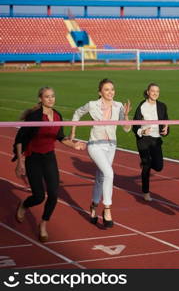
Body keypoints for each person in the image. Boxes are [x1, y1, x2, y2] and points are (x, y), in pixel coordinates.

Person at [13, 86, 86, 242]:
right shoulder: (34, 116)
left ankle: (43, 224)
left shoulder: (57, 115)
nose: (51, 99)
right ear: (41, 98)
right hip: (33, 158)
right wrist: (20, 162)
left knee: (53, 194)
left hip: (49, 157)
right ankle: (24, 205)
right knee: (39, 196)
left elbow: (60, 137)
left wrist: (75, 145)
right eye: (47, 96)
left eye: (53, 96)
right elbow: (20, 140)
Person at [70, 78, 131, 228]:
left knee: (101, 177)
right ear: (100, 92)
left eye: (112, 89)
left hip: (111, 145)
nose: (110, 92)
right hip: (95, 145)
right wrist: (73, 131)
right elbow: (77, 113)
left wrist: (126, 115)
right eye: (106, 89)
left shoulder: (118, 106)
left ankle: (93, 205)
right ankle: (107, 209)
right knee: (109, 174)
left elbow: (127, 128)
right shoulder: (92, 105)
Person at [132, 83, 169, 202]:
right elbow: (134, 125)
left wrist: (166, 130)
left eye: (157, 91)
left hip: (156, 139)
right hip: (144, 139)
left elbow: (166, 122)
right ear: (148, 92)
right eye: (153, 91)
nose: (155, 93)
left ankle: (145, 163)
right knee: (147, 165)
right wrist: (142, 131)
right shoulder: (142, 106)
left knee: (158, 167)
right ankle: (146, 192)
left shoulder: (162, 106)